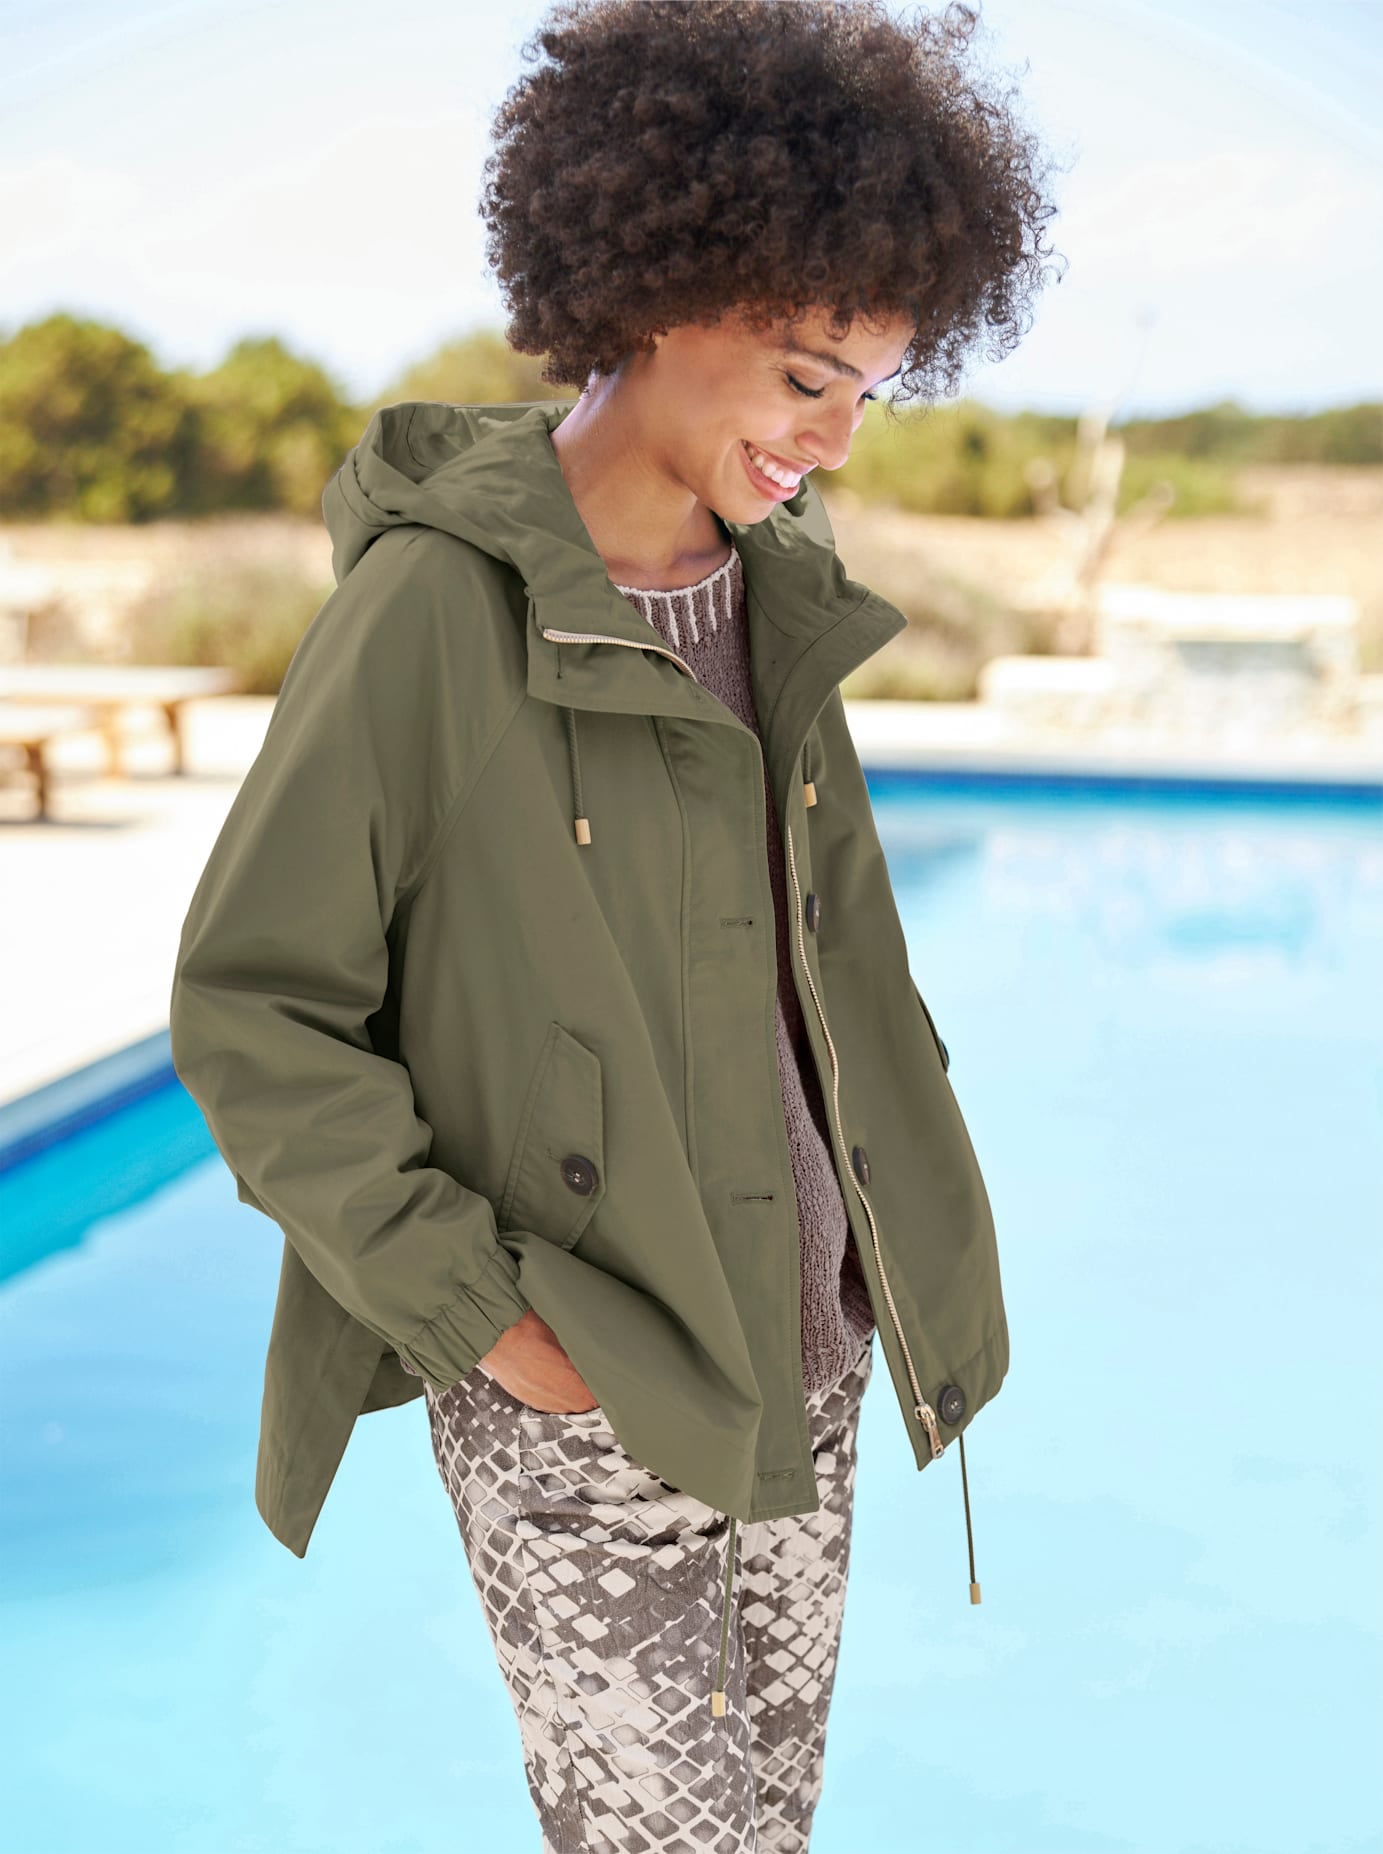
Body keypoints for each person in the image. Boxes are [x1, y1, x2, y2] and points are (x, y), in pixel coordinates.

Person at [169, 1, 1060, 1847]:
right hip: (589, 1371)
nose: (834, 438)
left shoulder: (782, 591)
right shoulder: (431, 611)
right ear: (668, 290)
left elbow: (841, 964)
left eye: (872, 393)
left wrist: (896, 1256)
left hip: (807, 1356)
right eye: (808, 375)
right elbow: (255, 1010)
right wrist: (487, 1320)